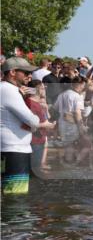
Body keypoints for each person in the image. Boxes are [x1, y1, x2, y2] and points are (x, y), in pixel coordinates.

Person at [2, 57, 55, 193]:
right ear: (12, 72)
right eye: (25, 73)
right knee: (16, 195)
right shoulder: (9, 90)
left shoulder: (8, 89)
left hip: (10, 147)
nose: (29, 76)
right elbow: (32, 121)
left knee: (9, 194)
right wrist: (36, 121)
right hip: (15, 149)